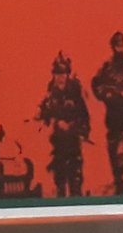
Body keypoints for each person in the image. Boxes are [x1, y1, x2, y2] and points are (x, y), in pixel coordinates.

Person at [90, 31, 123, 194]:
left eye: (122, 45)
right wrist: (109, 95)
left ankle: (121, 178)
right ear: (113, 47)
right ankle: (117, 178)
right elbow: (96, 85)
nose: (120, 49)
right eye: (118, 46)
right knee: (113, 145)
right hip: (112, 113)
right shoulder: (106, 68)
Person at [37, 51, 91, 197]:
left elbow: (84, 114)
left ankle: (76, 199)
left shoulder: (75, 91)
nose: (60, 78)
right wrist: (51, 118)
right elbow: (44, 111)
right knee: (59, 174)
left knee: (75, 175)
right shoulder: (51, 91)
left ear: (67, 75)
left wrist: (81, 130)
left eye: (63, 74)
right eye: (57, 74)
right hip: (58, 139)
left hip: (73, 137)